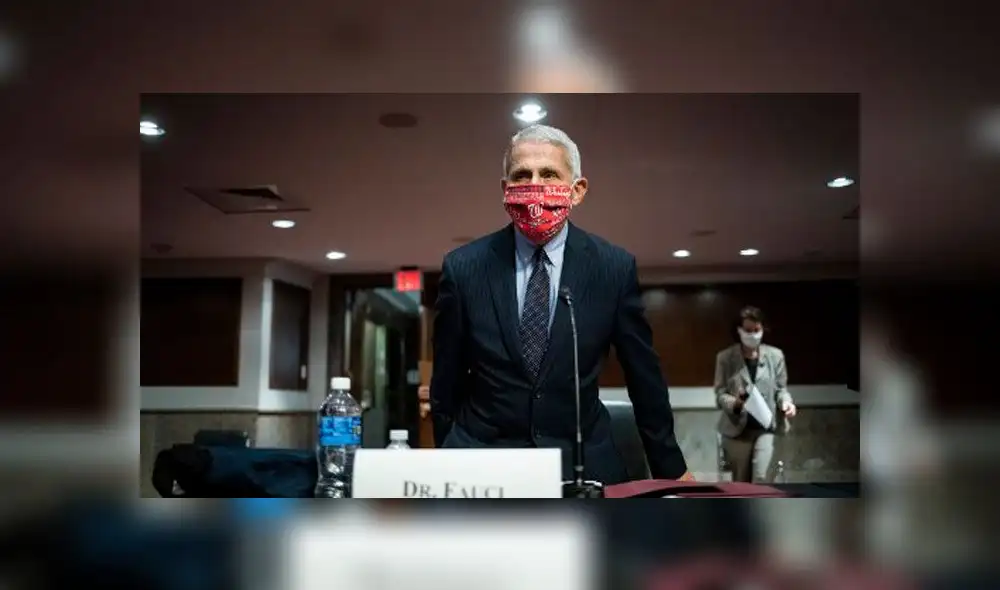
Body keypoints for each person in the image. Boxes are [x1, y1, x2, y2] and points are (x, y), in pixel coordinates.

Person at [430, 124, 690, 484]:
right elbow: (446, 381)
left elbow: (644, 377)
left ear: (577, 190)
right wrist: (449, 455)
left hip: (582, 462)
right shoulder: (464, 268)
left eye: (549, 173)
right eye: (522, 175)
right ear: (506, 191)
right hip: (483, 462)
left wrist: (671, 472)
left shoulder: (612, 268)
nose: (534, 185)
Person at [714, 306, 796, 483]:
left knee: (762, 478)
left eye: (757, 330)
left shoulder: (775, 356)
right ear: (739, 330)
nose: (753, 335)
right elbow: (720, 393)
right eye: (748, 330)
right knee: (741, 482)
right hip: (737, 429)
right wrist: (735, 404)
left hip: (766, 427)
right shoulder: (725, 358)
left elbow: (781, 389)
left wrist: (786, 403)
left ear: (763, 329)